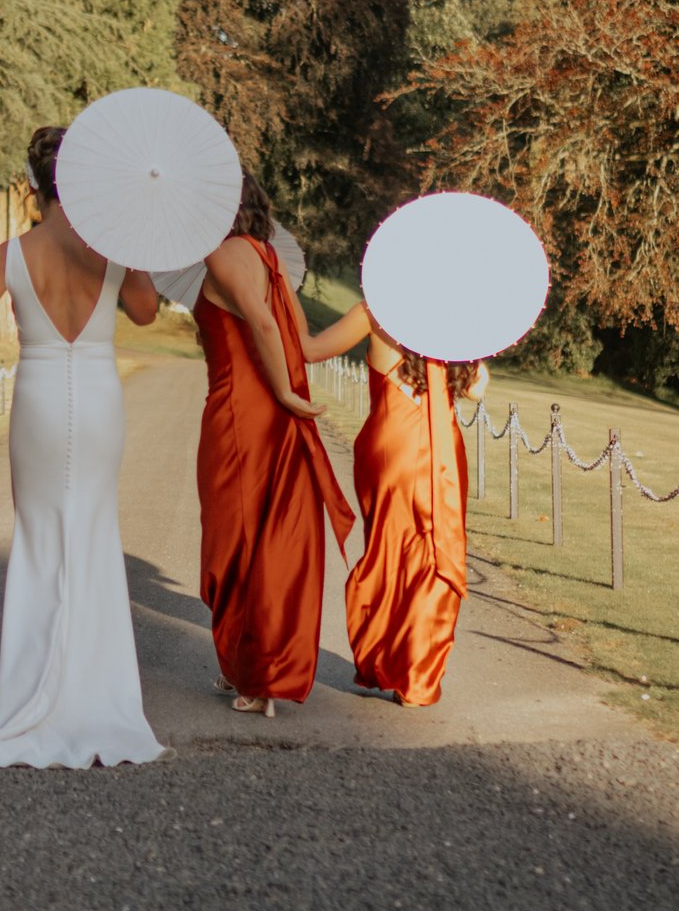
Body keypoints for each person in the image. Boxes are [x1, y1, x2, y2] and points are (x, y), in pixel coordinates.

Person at [0, 124, 164, 769]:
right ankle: (101, 689)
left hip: (39, 398)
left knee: (39, 535)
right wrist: (134, 248)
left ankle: (25, 693)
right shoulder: (112, 245)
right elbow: (147, 313)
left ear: (35, 186)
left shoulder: (14, 252)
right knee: (92, 529)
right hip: (97, 396)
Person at [193, 176, 352, 714]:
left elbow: (261, 322)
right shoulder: (270, 259)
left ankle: (256, 674)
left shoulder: (221, 253)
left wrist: (283, 390)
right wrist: (368, 317)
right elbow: (304, 346)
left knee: (232, 538)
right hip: (272, 416)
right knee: (267, 535)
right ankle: (252, 664)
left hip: (242, 413)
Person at [304, 300, 479, 707]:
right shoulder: (454, 317)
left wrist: (284, 305)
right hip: (443, 453)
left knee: (387, 549)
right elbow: (477, 388)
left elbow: (311, 350)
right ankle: (416, 677)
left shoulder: (375, 312)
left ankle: (383, 654)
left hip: (390, 448)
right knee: (433, 554)